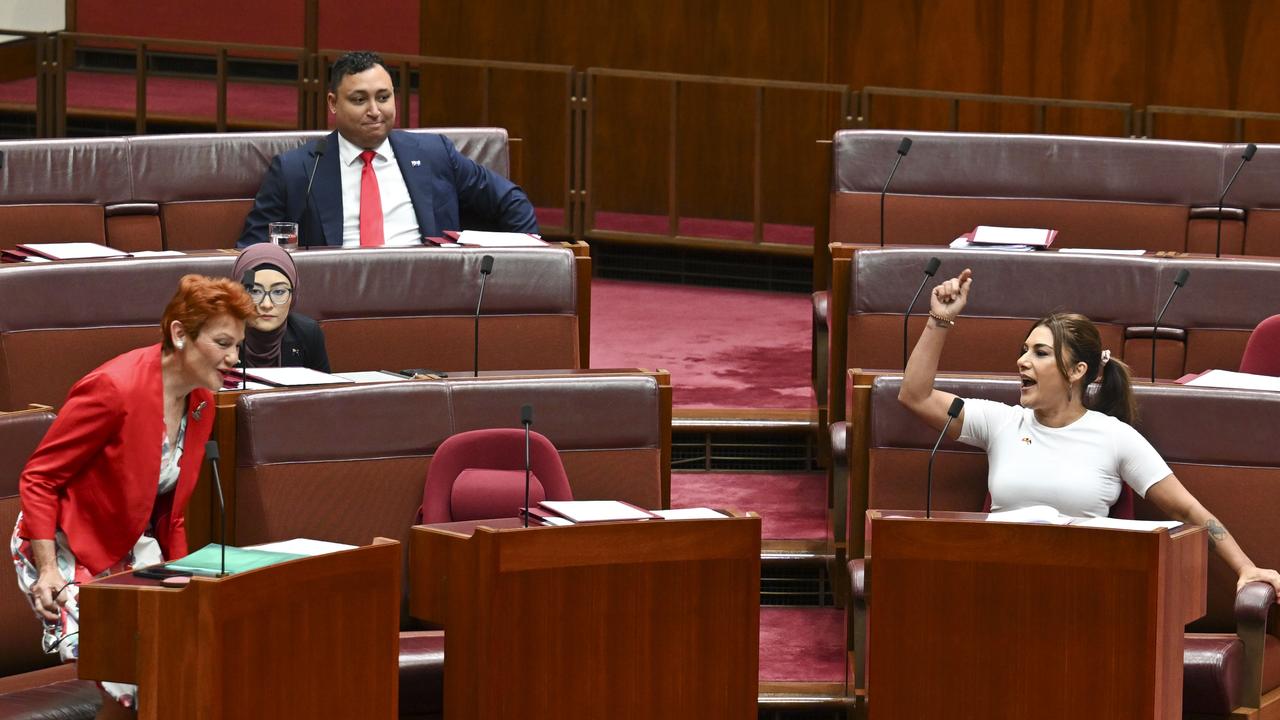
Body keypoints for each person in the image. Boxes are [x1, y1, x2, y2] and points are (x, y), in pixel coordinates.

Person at [898, 268, 1280, 595]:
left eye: (1040, 353)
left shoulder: (1115, 437)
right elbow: (915, 396)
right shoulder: (1000, 421)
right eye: (1024, 350)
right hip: (997, 583)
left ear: (1078, 371)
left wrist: (1246, 567)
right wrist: (939, 320)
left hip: (1085, 594)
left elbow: (1187, 511)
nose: (1022, 361)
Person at [10, 275, 255, 709]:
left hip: (126, 542)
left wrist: (183, 584)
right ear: (180, 334)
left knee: (178, 655)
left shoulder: (201, 403)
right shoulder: (115, 388)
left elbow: (171, 513)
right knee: (118, 675)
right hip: (65, 542)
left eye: (238, 345)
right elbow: (40, 477)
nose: (234, 358)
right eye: (223, 343)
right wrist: (48, 569)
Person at [237, 50, 538, 248]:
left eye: (383, 97)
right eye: (359, 100)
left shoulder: (434, 153)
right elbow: (252, 250)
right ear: (332, 103)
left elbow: (510, 201)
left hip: (428, 294)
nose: (375, 111)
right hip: (334, 302)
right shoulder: (297, 169)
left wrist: (521, 268)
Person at [231, 243, 331, 372]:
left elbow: (322, 390)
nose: (266, 304)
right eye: (254, 292)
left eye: (278, 292)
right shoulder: (221, 334)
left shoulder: (307, 333)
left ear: (293, 295)